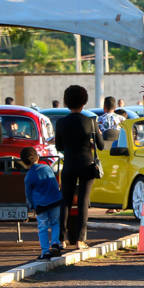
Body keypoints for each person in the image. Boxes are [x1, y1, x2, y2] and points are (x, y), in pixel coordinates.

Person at [55, 85, 104, 249]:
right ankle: (80, 240)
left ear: (66, 102)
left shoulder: (61, 122)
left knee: (65, 201)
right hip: (87, 164)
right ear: (84, 101)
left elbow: (58, 146)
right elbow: (101, 146)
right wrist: (92, 139)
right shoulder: (90, 121)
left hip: (69, 163)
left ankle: (61, 239)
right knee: (83, 201)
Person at [21, 146, 62, 260]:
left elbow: (29, 194)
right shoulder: (47, 167)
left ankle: (45, 251)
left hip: (41, 204)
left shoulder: (28, 177)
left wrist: (32, 206)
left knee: (43, 228)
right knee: (55, 223)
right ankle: (55, 243)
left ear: (24, 162)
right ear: (37, 158)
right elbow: (54, 182)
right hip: (55, 200)